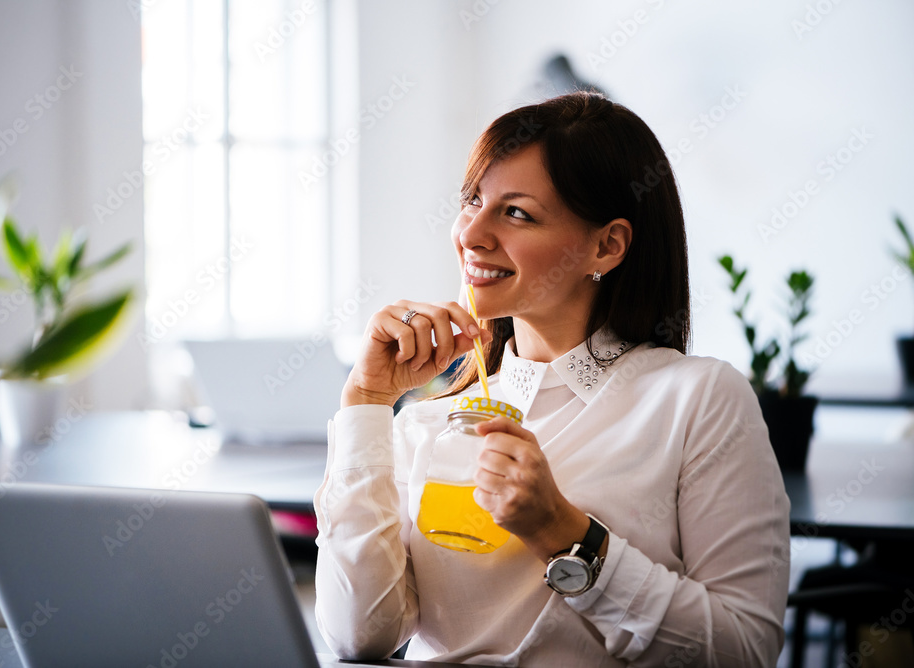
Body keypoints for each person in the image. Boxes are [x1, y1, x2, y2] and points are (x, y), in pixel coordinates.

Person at [313, 91, 790, 667]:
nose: (471, 234)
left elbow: (744, 652)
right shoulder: (427, 418)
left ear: (607, 245)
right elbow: (357, 637)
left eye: (516, 213)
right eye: (472, 201)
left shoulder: (699, 400)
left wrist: (563, 533)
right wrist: (366, 403)